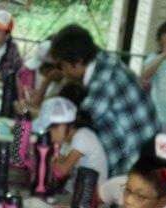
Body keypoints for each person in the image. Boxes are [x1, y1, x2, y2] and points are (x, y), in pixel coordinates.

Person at [49, 25, 158, 177]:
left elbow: (73, 121)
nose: (63, 72)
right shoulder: (99, 59)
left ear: (78, 61)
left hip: (136, 158)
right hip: (131, 148)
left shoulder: (103, 80)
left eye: (62, 66)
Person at [33, 95, 108, 185]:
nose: (49, 136)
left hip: (93, 191)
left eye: (50, 130)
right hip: (77, 185)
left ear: (62, 126)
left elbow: (63, 171)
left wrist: (45, 158)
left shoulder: (82, 136)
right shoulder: (67, 140)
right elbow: (59, 160)